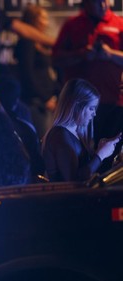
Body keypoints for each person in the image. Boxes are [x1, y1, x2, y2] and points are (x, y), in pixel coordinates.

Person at [52, 0, 123, 168]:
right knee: (78, 158)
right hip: (79, 106)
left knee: (110, 158)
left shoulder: (119, 24)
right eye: (98, 2)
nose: (103, 5)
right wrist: (81, 54)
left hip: (112, 102)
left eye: (106, 1)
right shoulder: (72, 25)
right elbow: (55, 58)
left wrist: (110, 54)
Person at [42, 79, 121, 182]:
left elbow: (85, 171)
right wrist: (100, 155)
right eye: (91, 108)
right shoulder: (59, 135)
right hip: (65, 197)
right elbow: (74, 181)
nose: (94, 114)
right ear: (76, 106)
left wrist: (101, 151)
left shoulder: (76, 133)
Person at [15, 3, 59, 138]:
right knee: (42, 139)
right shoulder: (26, 43)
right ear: (33, 20)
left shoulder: (39, 43)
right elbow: (27, 73)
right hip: (36, 102)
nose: (46, 22)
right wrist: (45, 98)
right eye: (43, 18)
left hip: (46, 101)